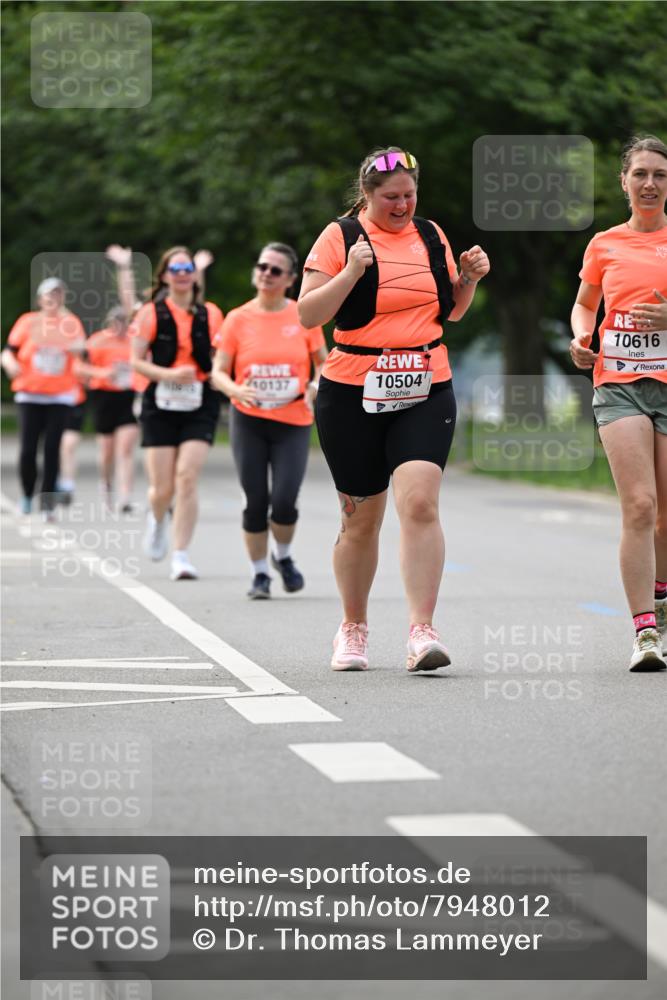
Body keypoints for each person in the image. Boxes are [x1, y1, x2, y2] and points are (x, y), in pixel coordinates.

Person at [298, 147, 489, 672]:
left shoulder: (430, 234)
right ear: (367, 195)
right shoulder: (340, 237)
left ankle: (422, 631)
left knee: (421, 503)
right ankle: (353, 627)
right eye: (391, 198)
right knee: (360, 520)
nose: (402, 205)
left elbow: (450, 311)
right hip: (352, 390)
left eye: (409, 195)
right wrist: (350, 273)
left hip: (425, 383)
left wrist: (468, 278)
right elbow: (308, 314)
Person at [571, 134, 667, 672]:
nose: (650, 183)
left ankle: (662, 601)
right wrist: (581, 336)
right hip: (618, 383)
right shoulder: (604, 244)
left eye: (660, 174)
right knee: (640, 505)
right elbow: (585, 305)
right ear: (624, 182)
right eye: (640, 174)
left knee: (666, 517)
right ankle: (645, 631)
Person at [212, 243, 327, 598]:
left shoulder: (302, 316)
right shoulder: (238, 318)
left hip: (293, 420)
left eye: (275, 270)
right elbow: (217, 371)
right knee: (255, 500)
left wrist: (315, 386)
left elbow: (323, 363)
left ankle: (284, 556)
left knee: (285, 500)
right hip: (249, 418)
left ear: (290, 279)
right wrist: (235, 389)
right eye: (262, 266)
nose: (266, 274)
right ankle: (260, 574)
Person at [130, 246, 223, 580]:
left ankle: (181, 555)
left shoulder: (211, 313)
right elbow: (136, 361)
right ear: (165, 276)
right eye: (176, 269)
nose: (182, 274)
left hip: (200, 402)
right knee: (162, 488)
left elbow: (220, 354)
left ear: (194, 276)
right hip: (160, 403)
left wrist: (220, 376)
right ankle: (157, 519)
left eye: (187, 269)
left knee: (186, 478)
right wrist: (168, 374)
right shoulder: (150, 313)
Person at [1, 277, 86, 518]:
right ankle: (28, 495)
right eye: (49, 294)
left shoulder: (71, 323)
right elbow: (8, 352)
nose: (53, 299)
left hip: (60, 396)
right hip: (30, 395)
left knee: (52, 448)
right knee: (28, 449)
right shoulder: (27, 322)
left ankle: (47, 502)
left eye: (58, 294)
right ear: (40, 299)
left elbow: (81, 349)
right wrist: (9, 364)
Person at [84, 305, 139, 511]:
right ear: (110, 322)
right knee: (107, 450)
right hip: (104, 396)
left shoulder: (135, 342)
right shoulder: (97, 341)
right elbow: (79, 367)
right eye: (117, 322)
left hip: (128, 396)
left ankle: (125, 497)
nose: (121, 327)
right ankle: (106, 486)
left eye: (125, 322)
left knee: (126, 448)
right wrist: (103, 374)